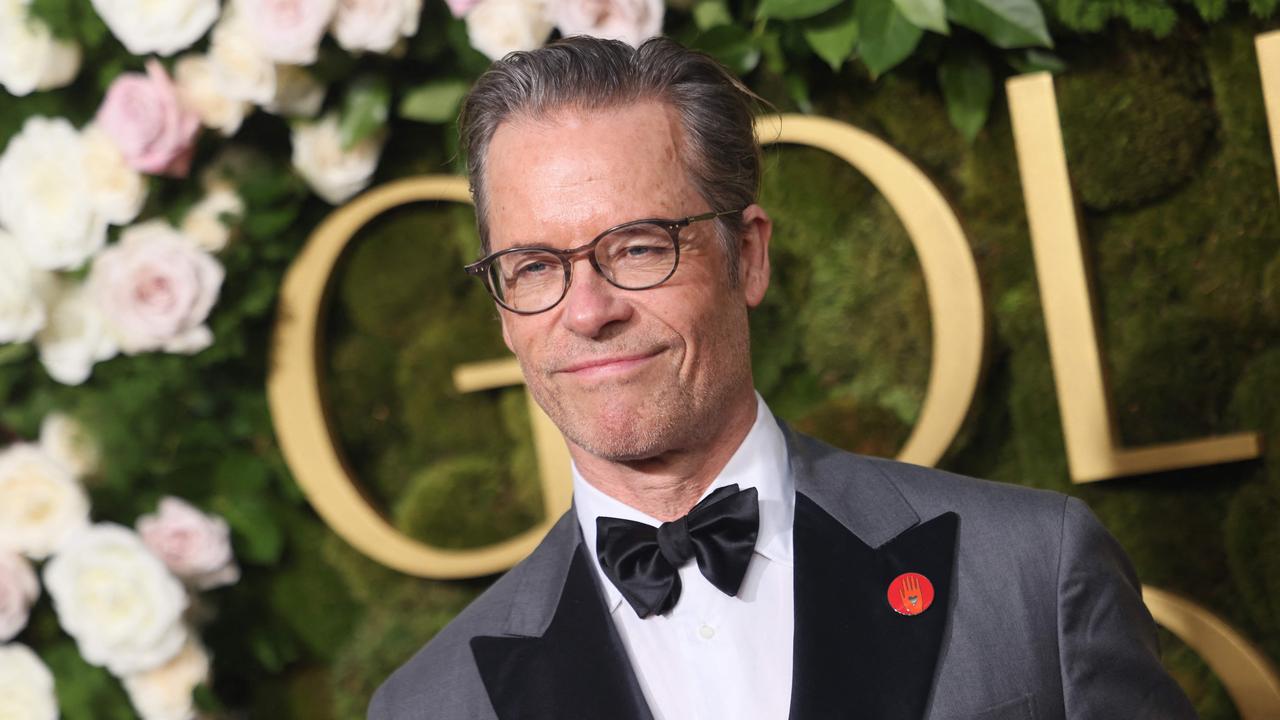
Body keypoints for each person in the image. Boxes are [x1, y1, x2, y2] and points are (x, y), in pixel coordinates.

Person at [369, 36, 1197, 720]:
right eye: (535, 265)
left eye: (639, 247)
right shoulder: (430, 705)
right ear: (504, 309)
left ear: (750, 255)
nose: (588, 311)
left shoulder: (1031, 572)